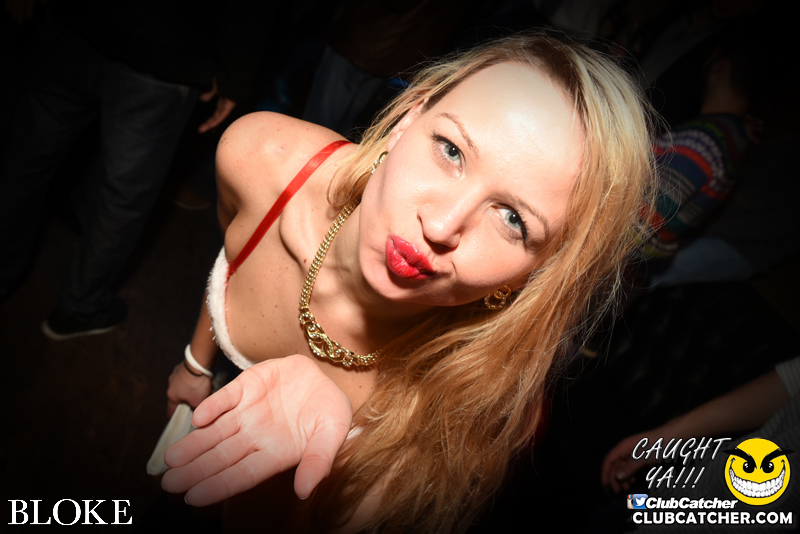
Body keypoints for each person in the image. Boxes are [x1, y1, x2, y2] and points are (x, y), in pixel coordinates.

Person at [162, 31, 657, 532]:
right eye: (451, 150)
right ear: (406, 119)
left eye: (513, 220)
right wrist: (195, 364)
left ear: (536, 273)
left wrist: (283, 476)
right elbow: (234, 258)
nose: (441, 226)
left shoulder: (473, 410)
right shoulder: (263, 159)